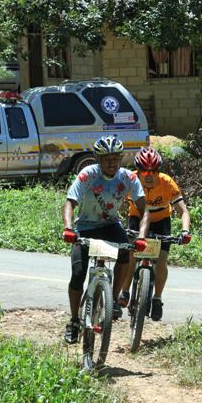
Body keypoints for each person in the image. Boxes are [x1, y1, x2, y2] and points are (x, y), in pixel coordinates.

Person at [61, 136, 149, 344]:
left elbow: (145, 210)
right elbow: (70, 203)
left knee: (126, 253)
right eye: (107, 159)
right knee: (78, 274)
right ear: (97, 159)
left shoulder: (128, 177)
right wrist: (68, 228)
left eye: (116, 158)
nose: (112, 163)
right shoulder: (87, 174)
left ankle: (114, 300)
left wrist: (142, 236)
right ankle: (74, 321)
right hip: (85, 227)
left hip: (110, 225)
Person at [118, 147, 191, 322]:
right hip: (137, 218)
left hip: (161, 221)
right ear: (138, 171)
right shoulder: (130, 180)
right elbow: (116, 202)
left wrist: (185, 231)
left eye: (154, 171)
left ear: (159, 171)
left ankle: (157, 299)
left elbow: (183, 211)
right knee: (131, 255)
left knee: (161, 260)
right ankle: (125, 291)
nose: (149, 175)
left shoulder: (167, 183)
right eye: (144, 171)